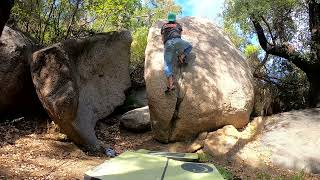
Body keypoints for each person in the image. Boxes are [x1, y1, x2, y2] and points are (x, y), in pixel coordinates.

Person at [161, 12, 192, 94]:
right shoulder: (177, 24)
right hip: (177, 41)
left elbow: (162, 37)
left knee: (167, 64)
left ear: (168, 19)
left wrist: (165, 45)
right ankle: (181, 57)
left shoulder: (164, 26)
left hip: (168, 44)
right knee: (189, 46)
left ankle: (170, 85)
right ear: (174, 19)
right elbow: (179, 35)